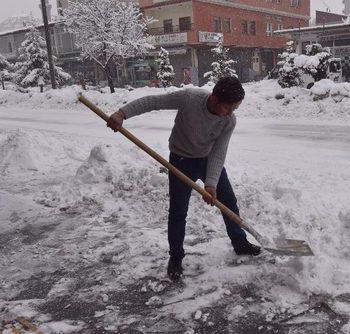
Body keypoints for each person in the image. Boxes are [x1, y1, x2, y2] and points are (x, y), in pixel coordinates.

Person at [107, 76, 261, 281]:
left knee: (229, 203)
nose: (230, 114)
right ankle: (176, 257)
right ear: (215, 99)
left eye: (234, 109)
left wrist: (211, 184)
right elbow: (153, 102)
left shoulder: (229, 121)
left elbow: (219, 152)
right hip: (180, 160)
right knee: (178, 211)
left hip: (207, 160)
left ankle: (240, 243)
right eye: (228, 108)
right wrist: (121, 113)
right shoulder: (190, 98)